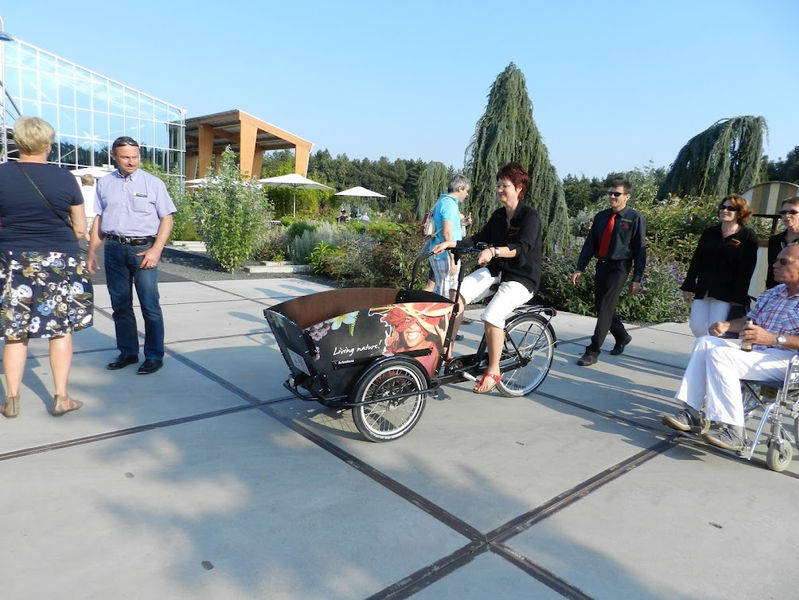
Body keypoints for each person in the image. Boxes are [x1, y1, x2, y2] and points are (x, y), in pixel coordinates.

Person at [661, 244, 799, 451]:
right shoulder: (774, 293)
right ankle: (692, 412)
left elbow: (773, 339)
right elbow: (750, 321)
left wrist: (773, 339)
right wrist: (727, 325)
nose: (774, 265)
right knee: (705, 343)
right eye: (776, 260)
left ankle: (734, 430)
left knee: (721, 356)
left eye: (783, 261)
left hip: (789, 361)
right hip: (759, 352)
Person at [0, 116, 93, 417]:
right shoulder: (65, 178)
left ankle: (11, 400)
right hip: (59, 259)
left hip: (13, 259)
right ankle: (61, 397)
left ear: (18, 142)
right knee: (60, 329)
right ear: (48, 145)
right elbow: (80, 228)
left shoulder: (2, 174)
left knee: (15, 331)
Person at [432, 163, 542, 394]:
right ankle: (446, 350)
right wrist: (451, 243)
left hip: (522, 276)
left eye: (505, 185)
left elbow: (522, 247)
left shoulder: (530, 216)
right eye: (498, 185)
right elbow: (478, 239)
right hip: (497, 271)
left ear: (519, 188)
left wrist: (493, 251)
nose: (499, 189)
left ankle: (493, 369)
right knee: (456, 295)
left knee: (492, 315)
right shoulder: (499, 216)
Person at [87, 136, 176, 375]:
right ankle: (128, 352)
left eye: (135, 157)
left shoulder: (153, 183)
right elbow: (100, 219)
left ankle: (154, 356)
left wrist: (156, 249)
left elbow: (167, 218)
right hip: (114, 249)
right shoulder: (105, 184)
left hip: (143, 250)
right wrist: (91, 252)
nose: (131, 162)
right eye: (125, 157)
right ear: (113, 157)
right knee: (120, 306)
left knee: (150, 305)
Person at [572, 177, 646, 366]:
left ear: (627, 196)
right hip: (602, 265)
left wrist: (637, 278)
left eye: (617, 194)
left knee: (605, 307)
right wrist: (580, 267)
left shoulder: (635, 218)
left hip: (620, 267)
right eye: (610, 193)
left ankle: (592, 351)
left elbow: (640, 250)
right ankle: (622, 336)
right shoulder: (601, 216)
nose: (612, 196)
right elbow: (590, 244)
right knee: (602, 307)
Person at [680, 195, 758, 336]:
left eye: (730, 208)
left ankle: (707, 350)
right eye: (723, 207)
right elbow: (697, 261)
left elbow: (746, 270)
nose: (725, 210)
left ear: (740, 212)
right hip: (704, 289)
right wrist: (689, 285)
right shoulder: (709, 233)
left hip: (727, 293)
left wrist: (738, 298)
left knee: (716, 330)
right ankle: (704, 348)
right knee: (696, 326)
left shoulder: (747, 236)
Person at [424, 174, 470, 297]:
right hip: (444, 256)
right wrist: (453, 260)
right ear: (460, 188)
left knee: (439, 291)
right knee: (445, 295)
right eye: (466, 191)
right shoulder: (449, 204)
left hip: (439, 252)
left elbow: (445, 227)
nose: (467, 194)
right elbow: (447, 233)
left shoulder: (443, 201)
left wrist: (461, 223)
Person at [765, 193, 799, 289]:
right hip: (776, 292)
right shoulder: (775, 240)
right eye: (783, 212)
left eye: (792, 212)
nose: (787, 215)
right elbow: (771, 270)